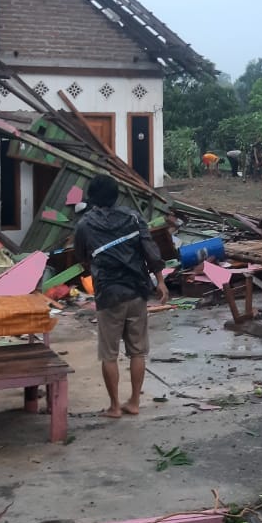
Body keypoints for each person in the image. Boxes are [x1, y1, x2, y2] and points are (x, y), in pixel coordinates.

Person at [74, 174, 168, 418]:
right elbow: (150, 250)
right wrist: (160, 282)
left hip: (108, 295)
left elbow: (82, 257)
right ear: (116, 196)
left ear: (92, 198)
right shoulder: (133, 217)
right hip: (137, 292)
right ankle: (134, 402)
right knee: (137, 351)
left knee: (109, 354)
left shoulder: (85, 224)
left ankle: (115, 406)